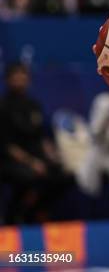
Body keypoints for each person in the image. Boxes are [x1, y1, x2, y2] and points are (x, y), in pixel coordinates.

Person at [0, 63, 73, 224]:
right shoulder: (3, 106)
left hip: (37, 156)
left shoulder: (33, 105)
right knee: (30, 177)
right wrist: (32, 162)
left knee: (65, 176)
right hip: (12, 160)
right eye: (16, 75)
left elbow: (41, 136)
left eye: (23, 75)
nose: (20, 78)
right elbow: (6, 145)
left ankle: (38, 210)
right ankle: (16, 214)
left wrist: (52, 155)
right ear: (8, 79)